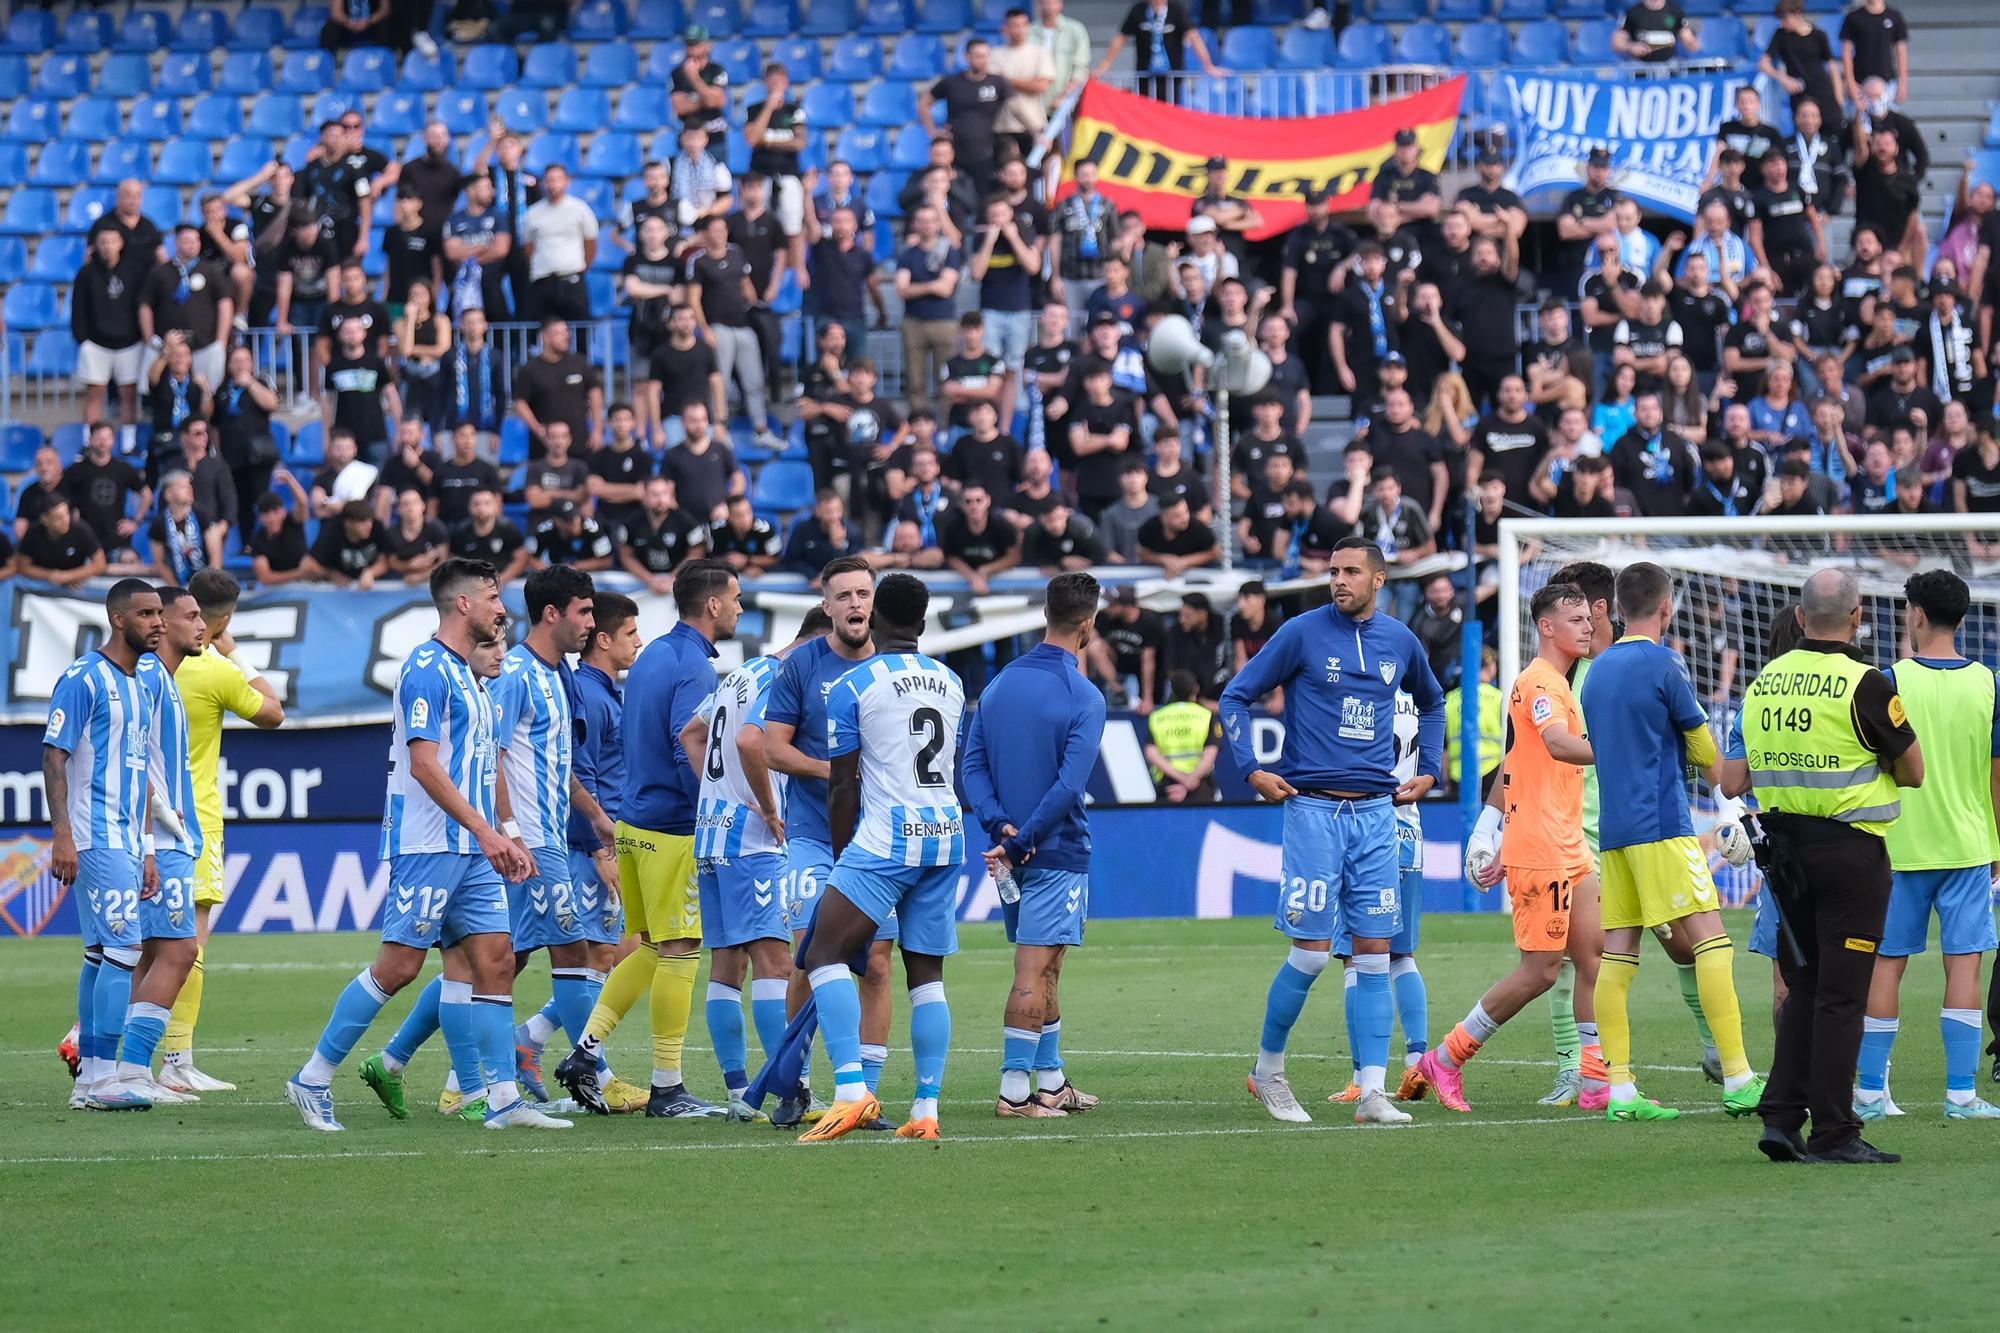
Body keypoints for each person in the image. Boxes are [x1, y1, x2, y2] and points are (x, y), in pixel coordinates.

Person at [284, 560, 554, 1131]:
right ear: (462, 605)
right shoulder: (426, 668)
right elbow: (425, 765)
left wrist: (504, 834)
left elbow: (484, 766)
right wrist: (486, 831)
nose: (501, 609)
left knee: (496, 961)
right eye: (492, 597)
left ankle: (503, 1100)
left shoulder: (472, 679)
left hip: (473, 850)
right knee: (400, 966)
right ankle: (311, 1078)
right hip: (429, 843)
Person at [359, 566, 603, 1116]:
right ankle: (587, 1072)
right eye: (585, 612)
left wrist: (595, 820)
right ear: (554, 613)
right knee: (552, 953)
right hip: (514, 842)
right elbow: (485, 762)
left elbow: (551, 767)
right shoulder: (507, 672)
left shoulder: (554, 674)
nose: (593, 624)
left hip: (525, 840)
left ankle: (429, 1070)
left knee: (489, 962)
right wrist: (507, 832)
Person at [1225, 539, 1445, 1126]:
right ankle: (1267, 1070)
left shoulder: (1401, 641)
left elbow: (1432, 701)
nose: (1338, 581)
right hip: (1314, 812)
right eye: (1333, 572)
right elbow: (1236, 696)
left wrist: (1431, 769)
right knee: (1314, 954)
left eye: (1351, 572)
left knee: (1376, 954)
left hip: (1378, 815)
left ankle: (1372, 1093)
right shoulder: (1300, 633)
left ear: (1379, 579)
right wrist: (1251, 768)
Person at [1730, 567, 1921, 1162]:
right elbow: (1912, 771)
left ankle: (1782, 1117)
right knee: (1841, 995)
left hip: (1784, 851)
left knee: (1805, 986)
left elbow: (1741, 774)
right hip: (1849, 853)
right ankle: (1836, 1131)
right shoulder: (1866, 683)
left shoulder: (1763, 683)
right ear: (1859, 617)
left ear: (1803, 618)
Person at [539, 561, 737, 1119]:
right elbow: (686, 745)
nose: (741, 607)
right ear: (714, 605)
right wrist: (712, 815)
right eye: (736, 598)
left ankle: (584, 1051)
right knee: (681, 951)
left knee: (650, 948)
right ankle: (669, 1087)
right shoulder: (693, 665)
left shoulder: (652, 656)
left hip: (632, 825)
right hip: (672, 828)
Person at [1577, 561, 1764, 1122]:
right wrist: (1732, 792)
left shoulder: (1598, 671)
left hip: (1614, 834)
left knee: (1619, 954)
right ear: (1667, 607)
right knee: (1711, 940)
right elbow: (1704, 749)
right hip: (1661, 826)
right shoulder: (1665, 663)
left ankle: (1623, 1091)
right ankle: (1738, 1077)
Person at [791, 574, 966, 1143]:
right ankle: (926, 1109)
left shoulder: (853, 683)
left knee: (820, 952)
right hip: (944, 835)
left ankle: (849, 1092)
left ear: (879, 618)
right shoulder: (952, 681)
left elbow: (843, 787)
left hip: (886, 840)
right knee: (927, 978)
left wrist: (843, 861)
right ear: (921, 621)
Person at [1424, 582, 1602, 1113]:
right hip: (1541, 849)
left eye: (1588, 619)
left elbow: (1517, 762)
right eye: (1575, 620)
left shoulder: (1561, 683)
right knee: (1540, 973)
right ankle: (1447, 1057)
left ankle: (1594, 1081)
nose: (1587, 627)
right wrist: (1622, 749)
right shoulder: (1538, 682)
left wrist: (1489, 828)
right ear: (1547, 627)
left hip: (1569, 845)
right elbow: (1554, 743)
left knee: (1594, 961)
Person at [1849, 571, 2000, 1120]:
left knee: (1886, 965)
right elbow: (1996, 773)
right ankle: (1960, 1095)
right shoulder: (1989, 682)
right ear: (1961, 619)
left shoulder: (1887, 680)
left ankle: (1869, 1093)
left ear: (1914, 614)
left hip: (1898, 846)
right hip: (1967, 845)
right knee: (1965, 966)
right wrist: (1996, 839)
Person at [957, 571, 1107, 1117]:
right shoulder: (1084, 696)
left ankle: (1050, 1080)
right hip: (1054, 851)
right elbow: (1069, 785)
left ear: (1047, 613)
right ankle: (1014, 1092)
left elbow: (972, 764)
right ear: (1088, 623)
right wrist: (1026, 841)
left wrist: (1001, 828)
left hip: (1008, 853)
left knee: (1047, 966)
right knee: (1031, 969)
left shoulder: (998, 684)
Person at [756, 558, 897, 1125]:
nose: (857, 605)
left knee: (880, 965)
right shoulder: (801, 668)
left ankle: (864, 1095)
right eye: (845, 596)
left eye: (864, 594)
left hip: (877, 837)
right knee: (811, 957)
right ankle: (796, 1084)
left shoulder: (891, 668)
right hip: (814, 835)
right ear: (828, 604)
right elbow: (771, 748)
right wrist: (833, 771)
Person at [513, 590, 649, 1114]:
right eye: (631, 633)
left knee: (607, 954)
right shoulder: (584, 692)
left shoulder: (588, 687)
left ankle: (531, 1037)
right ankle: (579, 1065)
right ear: (605, 639)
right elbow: (580, 769)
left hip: (586, 837)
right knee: (508, 958)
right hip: (566, 845)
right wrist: (597, 842)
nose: (638, 642)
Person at [44, 580, 167, 1109]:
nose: (158, 622)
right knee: (125, 949)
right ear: (119, 619)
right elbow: (54, 755)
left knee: (100, 953)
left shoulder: (140, 683)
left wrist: (146, 846)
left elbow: (138, 775)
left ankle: (92, 1078)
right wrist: (62, 835)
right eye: (147, 613)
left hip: (123, 838)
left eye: (161, 612)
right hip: (93, 836)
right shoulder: (83, 678)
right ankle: (104, 1078)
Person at [72, 226, 147, 432]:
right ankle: (88, 442)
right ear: (96, 245)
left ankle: (128, 443)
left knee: (128, 395)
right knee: (94, 395)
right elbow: (78, 308)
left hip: (130, 343)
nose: (108, 247)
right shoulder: (86, 273)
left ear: (120, 243)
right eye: (103, 242)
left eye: (112, 242)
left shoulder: (135, 270)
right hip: (96, 344)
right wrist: (83, 340)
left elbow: (142, 305)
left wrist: (140, 337)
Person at [895, 208, 964, 418]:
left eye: (931, 221)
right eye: (921, 221)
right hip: (914, 323)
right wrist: (933, 285)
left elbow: (946, 288)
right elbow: (901, 290)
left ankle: (944, 426)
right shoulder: (907, 254)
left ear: (938, 224)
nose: (926, 225)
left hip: (944, 324)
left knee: (946, 381)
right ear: (915, 224)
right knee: (915, 382)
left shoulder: (950, 251)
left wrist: (918, 287)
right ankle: (919, 426)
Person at [511, 317, 604, 458]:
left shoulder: (580, 363)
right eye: (559, 333)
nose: (566, 337)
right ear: (545, 337)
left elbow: (595, 393)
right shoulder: (529, 369)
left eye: (567, 332)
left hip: (579, 442)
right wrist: (537, 429)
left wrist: (597, 430)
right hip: (544, 446)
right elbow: (520, 402)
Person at [1095, 0, 1220, 103]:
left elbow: (1194, 37)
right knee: (1144, 117)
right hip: (1145, 77)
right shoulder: (1138, 10)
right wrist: (1104, 65)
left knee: (1171, 116)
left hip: (1172, 79)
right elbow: (1120, 38)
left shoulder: (1176, 9)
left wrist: (1208, 65)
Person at [1143, 668, 1221, 805]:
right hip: (1199, 785)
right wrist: (1188, 781)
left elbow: (1151, 753)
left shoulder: (1157, 716)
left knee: (1168, 826)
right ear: (1195, 689)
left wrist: (1180, 779)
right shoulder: (1206, 715)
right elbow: (1210, 753)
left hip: (1167, 786)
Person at [1840, 0, 1908, 100]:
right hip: (1860, 83)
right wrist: (1851, 83)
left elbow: (1901, 51)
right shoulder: (1853, 18)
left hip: (1888, 82)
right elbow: (1846, 52)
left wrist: (1903, 84)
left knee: (1889, 115)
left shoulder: (1894, 17)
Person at [1615, 0, 1698, 63]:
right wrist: (1630, 47)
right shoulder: (1632, 12)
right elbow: (1616, 43)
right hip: (1640, 67)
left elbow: (1689, 42)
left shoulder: (1676, 12)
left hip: (1669, 66)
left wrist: (1691, 43)